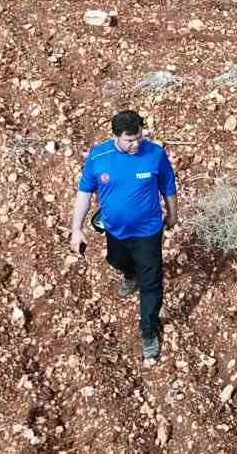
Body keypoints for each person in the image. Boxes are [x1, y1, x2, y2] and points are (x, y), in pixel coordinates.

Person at [69, 110, 178, 361]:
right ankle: (130, 273)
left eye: (139, 136)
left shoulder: (154, 154)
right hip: (115, 230)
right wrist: (77, 228)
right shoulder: (99, 157)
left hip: (149, 231)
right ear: (115, 136)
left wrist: (173, 214)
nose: (136, 143)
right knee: (116, 260)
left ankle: (148, 330)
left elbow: (168, 186)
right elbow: (84, 193)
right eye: (130, 139)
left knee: (151, 282)